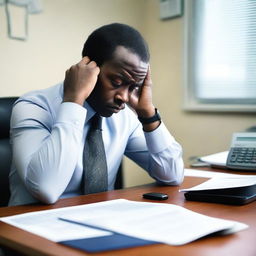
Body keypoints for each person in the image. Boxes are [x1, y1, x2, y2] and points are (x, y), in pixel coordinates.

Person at [8, 23, 184, 206]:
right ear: (89, 68)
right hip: (32, 227)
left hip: (100, 221)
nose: (123, 97)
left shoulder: (124, 117)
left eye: (134, 87)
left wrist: (148, 114)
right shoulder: (34, 106)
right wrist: (73, 101)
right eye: (116, 81)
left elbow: (172, 175)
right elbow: (46, 189)